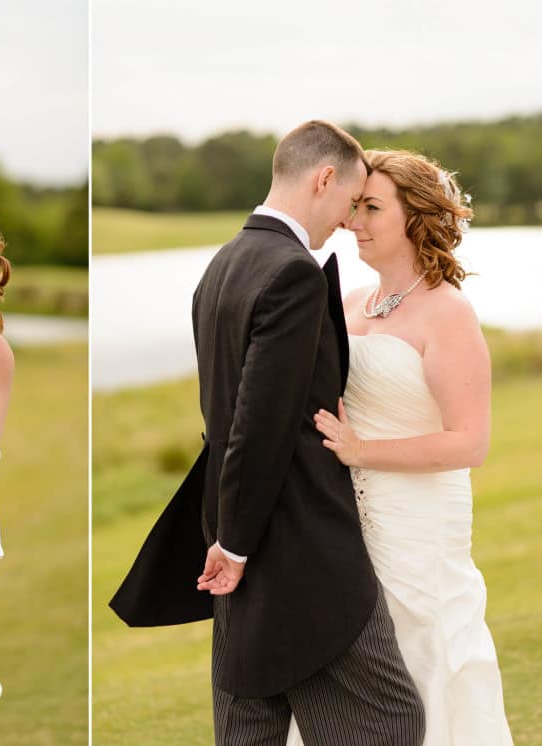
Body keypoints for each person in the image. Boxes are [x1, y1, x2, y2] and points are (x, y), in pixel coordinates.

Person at [110, 121, 426, 746]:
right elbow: (259, 424)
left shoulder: (222, 266)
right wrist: (237, 543)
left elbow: (221, 418)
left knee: (250, 729)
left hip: (234, 545)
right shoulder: (293, 274)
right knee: (389, 722)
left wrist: (228, 536)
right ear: (324, 178)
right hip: (296, 547)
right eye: (348, 200)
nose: (345, 219)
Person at [285, 149, 512, 745]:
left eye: (371, 208)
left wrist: (362, 452)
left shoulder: (447, 313)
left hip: (419, 520)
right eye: (352, 206)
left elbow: (470, 441)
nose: (352, 221)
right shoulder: (349, 302)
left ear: (414, 216)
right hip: (347, 519)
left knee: (425, 655)